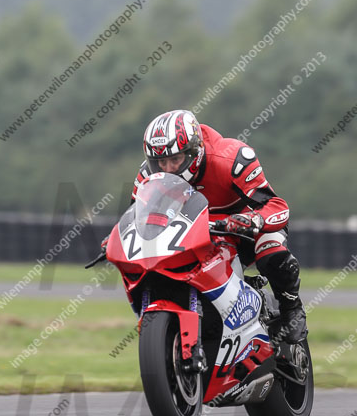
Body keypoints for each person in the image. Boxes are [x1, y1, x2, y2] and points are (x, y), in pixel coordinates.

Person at [130, 109, 307, 343]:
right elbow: (136, 218)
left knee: (271, 252)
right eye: (161, 162)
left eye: (175, 159)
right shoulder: (147, 176)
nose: (168, 168)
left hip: (244, 229)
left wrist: (253, 221)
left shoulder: (231, 158)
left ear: (194, 151)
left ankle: (291, 309)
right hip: (193, 235)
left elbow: (276, 206)